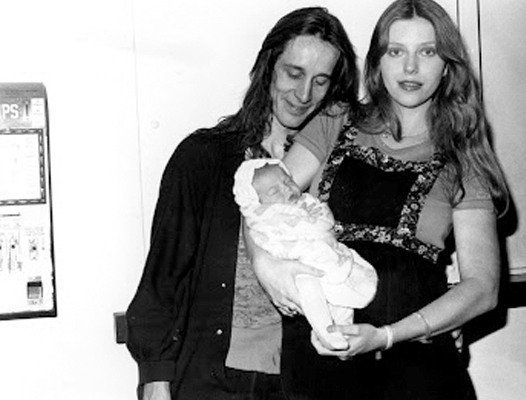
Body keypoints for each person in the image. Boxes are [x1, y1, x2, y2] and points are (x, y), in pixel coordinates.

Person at [253, 0, 511, 398]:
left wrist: (387, 336)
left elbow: (482, 286)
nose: (410, 68)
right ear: (377, 62)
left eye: (427, 52)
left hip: (418, 364)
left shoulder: (464, 156)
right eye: (396, 51)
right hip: (322, 356)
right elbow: (260, 204)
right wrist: (266, 267)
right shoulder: (334, 119)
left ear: (447, 65)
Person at [124, 6, 360, 400]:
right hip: (212, 382)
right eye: (294, 73)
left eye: (321, 82)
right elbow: (162, 282)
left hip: (307, 381)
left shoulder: (340, 168)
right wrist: (155, 379)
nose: (304, 96)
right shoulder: (203, 158)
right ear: (268, 68)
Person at [233, 158, 378, 350]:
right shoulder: (264, 218)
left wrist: (313, 220)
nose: (287, 190)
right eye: (274, 191)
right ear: (257, 202)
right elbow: (267, 241)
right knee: (310, 291)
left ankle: (345, 331)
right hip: (299, 266)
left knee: (342, 298)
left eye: (288, 181)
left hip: (327, 255)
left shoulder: (307, 202)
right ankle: (325, 331)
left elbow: (325, 220)